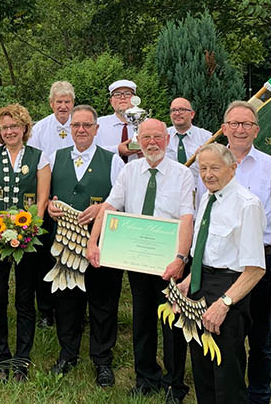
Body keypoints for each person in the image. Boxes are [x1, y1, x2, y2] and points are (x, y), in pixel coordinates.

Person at [86, 119, 194, 399]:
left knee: (172, 323)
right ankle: (146, 377)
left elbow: (186, 218)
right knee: (142, 319)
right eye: (146, 137)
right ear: (138, 141)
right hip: (137, 260)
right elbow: (109, 207)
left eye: (157, 137)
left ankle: (175, 383)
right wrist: (93, 241)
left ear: (167, 140)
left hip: (170, 262)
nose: (152, 143)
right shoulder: (130, 171)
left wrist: (181, 258)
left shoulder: (183, 174)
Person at [179, 143, 266, 403]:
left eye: (215, 168)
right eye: (202, 168)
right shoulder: (207, 197)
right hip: (200, 284)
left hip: (229, 290)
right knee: (201, 365)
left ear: (232, 168)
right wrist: (187, 281)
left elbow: (255, 269)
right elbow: (206, 250)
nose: (207, 174)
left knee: (227, 370)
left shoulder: (247, 205)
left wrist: (224, 304)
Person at [213, 100, 271, 403]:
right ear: (224, 128)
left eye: (246, 124)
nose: (240, 129)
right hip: (220, 265)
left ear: (256, 129)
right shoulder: (211, 166)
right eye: (234, 123)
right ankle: (228, 392)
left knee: (259, 337)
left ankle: (258, 394)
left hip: (260, 262)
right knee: (226, 335)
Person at [45, 105, 123, 382]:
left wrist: (103, 207)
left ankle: (102, 360)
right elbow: (46, 196)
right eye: (76, 125)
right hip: (65, 245)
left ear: (96, 129)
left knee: (103, 302)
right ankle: (67, 354)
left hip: (101, 245)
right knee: (66, 301)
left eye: (87, 125)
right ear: (70, 129)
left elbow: (122, 200)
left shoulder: (112, 160)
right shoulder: (55, 158)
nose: (81, 130)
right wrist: (49, 207)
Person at [0, 103, 50, 382]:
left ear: (24, 128)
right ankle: (0, 357)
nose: (9, 131)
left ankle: (21, 359)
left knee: (24, 298)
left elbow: (42, 199)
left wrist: (29, 231)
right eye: (4, 127)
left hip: (28, 239)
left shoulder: (39, 157)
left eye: (14, 126)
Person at [27, 81, 75, 328]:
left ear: (73, 104)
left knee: (72, 255)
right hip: (47, 200)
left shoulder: (80, 125)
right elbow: (34, 166)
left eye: (68, 102)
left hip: (75, 201)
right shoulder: (40, 129)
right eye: (59, 102)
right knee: (45, 258)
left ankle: (74, 308)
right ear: (51, 104)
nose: (64, 106)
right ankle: (46, 310)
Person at [95, 79, 142, 163]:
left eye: (127, 94)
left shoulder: (146, 124)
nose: (122, 97)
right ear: (111, 101)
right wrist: (117, 150)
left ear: (135, 99)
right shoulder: (98, 124)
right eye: (117, 94)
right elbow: (91, 151)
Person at [166, 97, 212, 175]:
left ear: (192, 114)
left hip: (197, 185)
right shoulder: (161, 136)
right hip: (169, 185)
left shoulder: (206, 138)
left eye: (182, 109)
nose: (177, 113)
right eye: (173, 110)